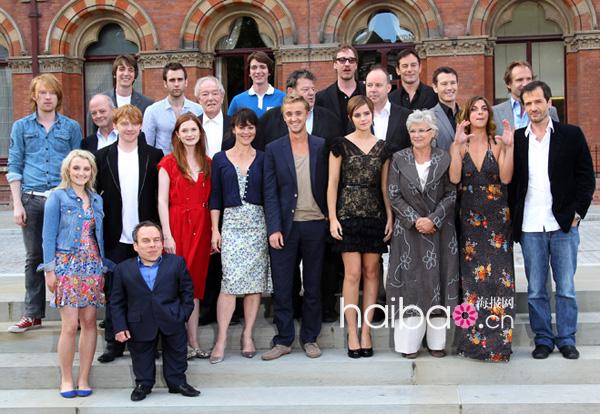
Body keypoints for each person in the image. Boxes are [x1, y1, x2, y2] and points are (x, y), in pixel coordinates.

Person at [510, 81, 595, 360]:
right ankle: (544, 339)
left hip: (562, 224)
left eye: (538, 102)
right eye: (528, 103)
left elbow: (586, 177)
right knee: (535, 289)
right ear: (523, 108)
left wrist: (578, 213)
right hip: (530, 226)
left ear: (549, 103)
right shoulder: (519, 140)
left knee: (566, 288)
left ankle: (567, 338)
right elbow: (512, 184)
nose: (533, 107)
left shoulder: (571, 135)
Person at [7, 74, 82, 333]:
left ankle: (72, 309)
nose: (47, 97)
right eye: (42, 93)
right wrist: (17, 204)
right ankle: (33, 313)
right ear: (35, 96)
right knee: (34, 256)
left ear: (58, 97)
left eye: (52, 93)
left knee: (69, 254)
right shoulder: (21, 127)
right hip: (32, 197)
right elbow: (14, 166)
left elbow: (78, 163)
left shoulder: (71, 127)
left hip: (62, 198)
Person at [386, 110, 459, 358]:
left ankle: (437, 343)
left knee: (439, 281)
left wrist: (434, 219)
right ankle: (409, 345)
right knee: (411, 286)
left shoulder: (445, 158)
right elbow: (393, 194)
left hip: (440, 232)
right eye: (413, 131)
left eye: (422, 130)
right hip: (409, 234)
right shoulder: (398, 158)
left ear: (433, 133)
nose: (417, 135)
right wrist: (416, 220)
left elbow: (452, 194)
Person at [449, 96, 516, 362]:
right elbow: (454, 178)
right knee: (473, 283)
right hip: (469, 222)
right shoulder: (461, 145)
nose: (479, 113)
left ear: (489, 115)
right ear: (466, 115)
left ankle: (499, 345)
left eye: (483, 109)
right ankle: (472, 344)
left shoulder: (497, 143)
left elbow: (507, 178)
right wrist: (455, 146)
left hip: (496, 219)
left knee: (499, 281)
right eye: (474, 109)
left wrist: (509, 148)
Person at [95, 104, 163, 363]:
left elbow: (159, 195)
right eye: (124, 123)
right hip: (116, 235)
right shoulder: (103, 157)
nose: (130, 128)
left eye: (134, 123)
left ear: (140, 126)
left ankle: (149, 339)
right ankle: (113, 342)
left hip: (146, 235)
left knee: (148, 289)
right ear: (115, 126)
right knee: (115, 291)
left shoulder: (153, 155)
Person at [262, 94, 329, 361]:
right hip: (285, 228)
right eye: (289, 114)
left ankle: (310, 338)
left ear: (306, 113)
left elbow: (329, 184)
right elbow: (269, 191)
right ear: (284, 117)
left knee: (313, 285)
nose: (293, 119)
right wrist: (273, 228)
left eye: (298, 113)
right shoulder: (274, 148)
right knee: (282, 286)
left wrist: (329, 216)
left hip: (315, 225)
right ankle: (284, 339)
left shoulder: (321, 146)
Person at [327, 95, 392, 358]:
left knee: (372, 273)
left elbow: (385, 186)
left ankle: (367, 331)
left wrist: (389, 216)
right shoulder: (340, 145)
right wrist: (332, 218)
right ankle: (352, 332)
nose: (363, 118)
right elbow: (332, 183)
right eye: (358, 115)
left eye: (366, 114)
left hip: (375, 215)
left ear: (372, 114)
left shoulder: (384, 147)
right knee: (352, 274)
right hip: (348, 215)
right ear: (351, 118)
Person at [41, 150, 106, 397]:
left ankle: (84, 378)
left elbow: (98, 236)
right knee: (69, 325)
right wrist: (50, 270)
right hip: (66, 264)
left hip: (92, 265)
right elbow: (47, 236)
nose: (81, 173)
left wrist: (103, 268)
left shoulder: (96, 199)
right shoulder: (57, 197)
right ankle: (66, 379)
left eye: (86, 169)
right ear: (68, 170)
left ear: (92, 172)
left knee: (89, 323)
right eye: (76, 168)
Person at [110, 221, 200, 401]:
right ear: (135, 246)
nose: (152, 245)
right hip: (139, 321)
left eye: (156, 240)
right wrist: (120, 327)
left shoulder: (176, 263)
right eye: (146, 241)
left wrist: (182, 314)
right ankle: (143, 384)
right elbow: (116, 301)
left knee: (177, 352)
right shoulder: (122, 269)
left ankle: (178, 383)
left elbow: (187, 293)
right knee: (141, 354)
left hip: (172, 318)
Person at [208, 108, 272, 363]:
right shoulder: (220, 159)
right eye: (241, 127)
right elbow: (215, 198)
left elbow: (269, 195)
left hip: (258, 225)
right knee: (229, 283)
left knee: (254, 284)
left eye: (250, 127)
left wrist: (272, 229)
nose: (246, 132)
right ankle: (221, 339)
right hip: (231, 225)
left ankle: (247, 335)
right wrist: (215, 229)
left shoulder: (264, 158)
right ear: (233, 129)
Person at [157, 112, 212, 360]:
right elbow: (161, 201)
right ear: (177, 135)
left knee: (195, 288)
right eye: (185, 130)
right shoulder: (168, 163)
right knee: (176, 286)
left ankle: (194, 343)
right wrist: (166, 235)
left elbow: (212, 202)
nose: (190, 134)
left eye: (194, 130)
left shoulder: (208, 163)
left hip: (201, 229)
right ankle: (175, 343)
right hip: (177, 227)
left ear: (200, 133)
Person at [194, 75, 235, 325]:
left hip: (230, 198)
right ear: (198, 99)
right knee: (206, 253)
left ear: (222, 97)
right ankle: (207, 309)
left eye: (214, 93)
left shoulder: (234, 125)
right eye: (205, 94)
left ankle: (234, 310)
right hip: (199, 198)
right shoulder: (190, 126)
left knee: (229, 253)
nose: (210, 98)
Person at [255, 69, 342, 150]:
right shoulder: (270, 119)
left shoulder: (329, 119)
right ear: (290, 91)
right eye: (306, 89)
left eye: (313, 89)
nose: (311, 93)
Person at [142, 62, 203, 154]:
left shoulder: (198, 110)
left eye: (180, 79)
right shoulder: (152, 111)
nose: (176, 84)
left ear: (186, 82)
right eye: (172, 80)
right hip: (162, 165)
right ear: (165, 83)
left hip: (191, 165)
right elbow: (147, 145)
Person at [87, 54, 153, 135]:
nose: (126, 73)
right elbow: (91, 133)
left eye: (130, 70)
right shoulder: (100, 101)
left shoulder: (147, 103)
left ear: (135, 75)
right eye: (122, 69)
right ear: (115, 73)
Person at [493, 61, 558, 135]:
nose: (525, 84)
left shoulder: (550, 110)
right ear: (508, 84)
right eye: (519, 80)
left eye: (529, 79)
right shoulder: (495, 112)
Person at [315, 44, 366, 133]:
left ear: (356, 65)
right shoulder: (322, 98)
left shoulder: (367, 93)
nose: (347, 64)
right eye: (342, 60)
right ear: (335, 64)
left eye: (351, 60)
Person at [365, 66, 411, 153]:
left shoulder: (405, 116)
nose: (373, 90)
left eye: (378, 85)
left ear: (388, 88)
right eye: (369, 85)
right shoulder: (357, 117)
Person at [227, 51, 285, 118]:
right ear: (249, 72)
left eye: (262, 67)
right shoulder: (237, 100)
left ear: (269, 71)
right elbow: (229, 126)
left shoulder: (282, 98)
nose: (258, 71)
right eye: (254, 68)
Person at [430, 66, 460, 150]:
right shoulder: (428, 118)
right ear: (435, 87)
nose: (449, 88)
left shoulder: (468, 114)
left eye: (453, 83)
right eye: (444, 84)